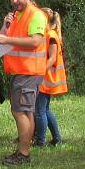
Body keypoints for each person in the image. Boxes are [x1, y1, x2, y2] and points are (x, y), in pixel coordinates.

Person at [0, 0, 48, 166]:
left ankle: (23, 154)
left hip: (29, 71)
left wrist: (7, 38)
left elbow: (35, 42)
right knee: (26, 112)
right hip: (21, 71)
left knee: (20, 112)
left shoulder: (36, 15)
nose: (14, 0)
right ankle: (24, 151)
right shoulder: (17, 16)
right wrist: (5, 26)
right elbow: (2, 41)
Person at [34, 8, 67, 147]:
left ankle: (40, 142)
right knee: (45, 110)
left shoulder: (51, 35)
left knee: (40, 111)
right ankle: (57, 138)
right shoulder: (50, 34)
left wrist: (40, 71)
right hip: (47, 77)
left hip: (46, 78)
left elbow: (52, 58)